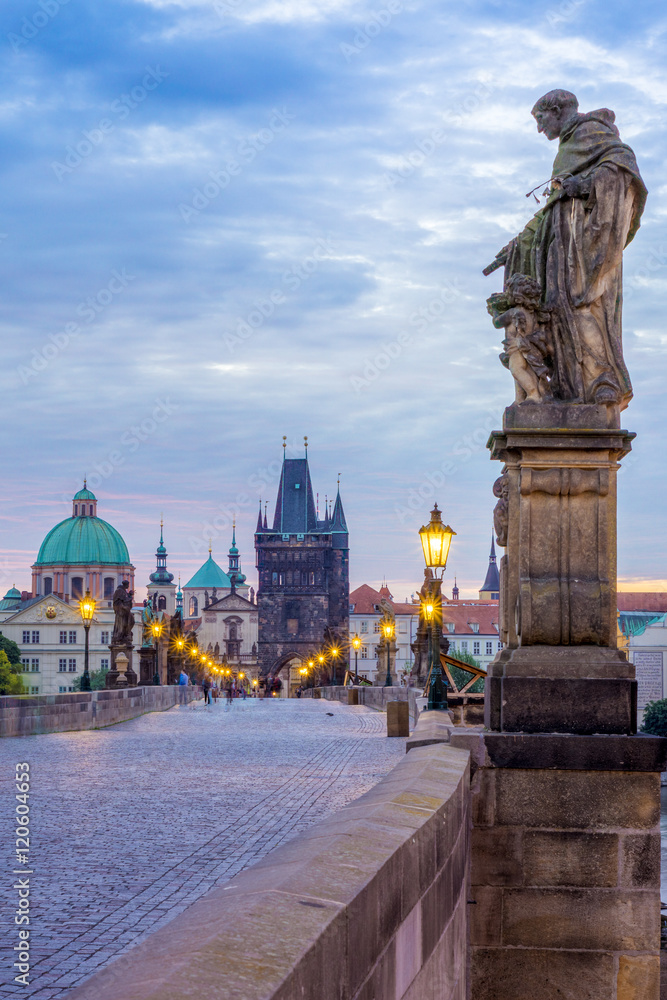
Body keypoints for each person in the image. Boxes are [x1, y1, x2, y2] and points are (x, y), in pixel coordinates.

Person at [485, 90, 647, 408]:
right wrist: (519, 243)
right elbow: (552, 206)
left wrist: (585, 185)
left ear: (557, 110)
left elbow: (622, 169)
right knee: (561, 310)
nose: (539, 128)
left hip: (587, 241)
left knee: (586, 306)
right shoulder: (567, 147)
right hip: (563, 243)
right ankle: (570, 387)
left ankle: (603, 382)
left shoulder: (590, 131)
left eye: (541, 119)